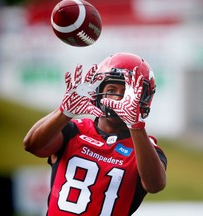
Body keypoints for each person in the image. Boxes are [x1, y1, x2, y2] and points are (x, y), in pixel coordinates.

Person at [23, 52, 167, 216]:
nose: (117, 98)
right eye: (111, 89)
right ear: (97, 91)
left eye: (127, 92)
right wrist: (64, 112)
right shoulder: (74, 130)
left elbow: (155, 185)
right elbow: (32, 145)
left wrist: (136, 126)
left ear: (142, 99)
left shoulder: (145, 147)